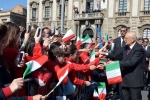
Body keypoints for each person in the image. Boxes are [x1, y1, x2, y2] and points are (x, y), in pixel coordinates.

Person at [0, 24, 47, 100]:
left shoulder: (5, 54)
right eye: (2, 42)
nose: (4, 45)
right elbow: (35, 62)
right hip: (17, 92)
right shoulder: (11, 51)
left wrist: (15, 64)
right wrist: (37, 42)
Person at [103, 32, 145, 100]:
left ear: (132, 39)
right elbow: (117, 55)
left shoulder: (139, 48)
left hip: (134, 80)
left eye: (126, 38)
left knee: (135, 98)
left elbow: (131, 62)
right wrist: (105, 53)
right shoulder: (125, 47)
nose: (124, 40)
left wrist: (115, 63)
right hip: (124, 79)